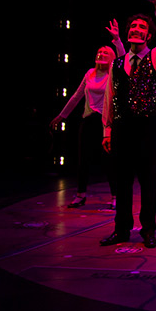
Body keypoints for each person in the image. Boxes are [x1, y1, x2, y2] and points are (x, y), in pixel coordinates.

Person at [100, 0, 156, 249]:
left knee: (147, 181)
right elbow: (110, 97)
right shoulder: (117, 63)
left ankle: (148, 230)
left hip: (147, 126)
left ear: (148, 36)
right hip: (122, 127)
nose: (136, 29)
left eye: (142, 27)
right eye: (134, 26)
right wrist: (107, 130)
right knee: (122, 181)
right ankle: (121, 229)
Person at [51, 21, 125, 208]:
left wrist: (116, 40)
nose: (101, 54)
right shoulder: (90, 74)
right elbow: (76, 96)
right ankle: (80, 194)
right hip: (88, 119)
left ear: (112, 58)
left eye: (106, 53)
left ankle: (116, 197)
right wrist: (62, 116)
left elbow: (124, 58)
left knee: (109, 160)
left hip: (106, 121)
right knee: (83, 158)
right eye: (99, 52)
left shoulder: (114, 73)